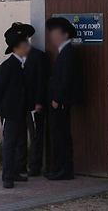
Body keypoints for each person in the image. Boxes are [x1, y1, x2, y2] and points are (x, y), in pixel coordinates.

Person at [5, 22, 50, 177]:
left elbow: (42, 81)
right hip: (18, 104)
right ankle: (20, 164)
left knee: (36, 134)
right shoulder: (14, 60)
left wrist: (39, 101)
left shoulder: (38, 56)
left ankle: (35, 166)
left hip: (33, 103)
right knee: (19, 136)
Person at [0, 31, 30, 189]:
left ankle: (15, 170)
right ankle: (7, 175)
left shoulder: (22, 64)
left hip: (21, 110)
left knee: (19, 142)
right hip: (10, 111)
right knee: (9, 143)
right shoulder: (8, 65)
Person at [45, 17, 78, 181]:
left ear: (65, 35)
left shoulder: (69, 52)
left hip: (61, 102)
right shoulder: (63, 52)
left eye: (56, 34)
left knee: (62, 136)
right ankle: (57, 167)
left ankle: (63, 169)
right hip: (58, 102)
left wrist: (57, 99)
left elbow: (67, 78)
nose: (52, 37)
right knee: (58, 135)